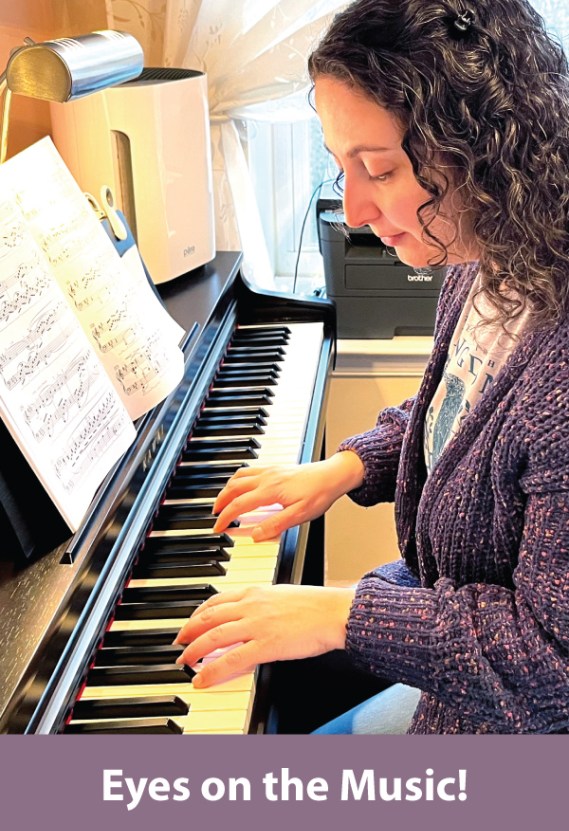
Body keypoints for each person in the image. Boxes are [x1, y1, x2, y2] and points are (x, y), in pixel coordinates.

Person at [175, 0, 569, 735]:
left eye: (379, 169)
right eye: (339, 166)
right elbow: (461, 419)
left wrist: (340, 613)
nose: (352, 208)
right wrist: (345, 468)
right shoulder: (489, 251)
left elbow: (551, 661)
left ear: (482, 147)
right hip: (448, 638)